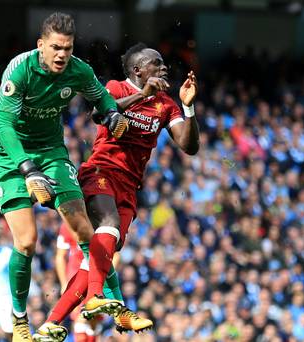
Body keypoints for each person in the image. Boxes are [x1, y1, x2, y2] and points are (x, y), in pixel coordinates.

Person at [0, 12, 129, 342]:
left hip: (50, 151)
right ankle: (20, 320)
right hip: (8, 153)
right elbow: (3, 125)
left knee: (84, 229)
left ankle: (114, 301)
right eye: (55, 47)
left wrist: (113, 113)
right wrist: (27, 170)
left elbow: (99, 95)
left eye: (67, 47)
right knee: (27, 240)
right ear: (41, 46)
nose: (62, 54)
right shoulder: (20, 69)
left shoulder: (78, 69)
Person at [40, 42, 200, 334]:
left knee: (98, 260)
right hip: (100, 171)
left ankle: (50, 324)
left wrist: (188, 107)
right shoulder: (116, 88)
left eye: (164, 63)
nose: (164, 66)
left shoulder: (166, 104)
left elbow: (189, 146)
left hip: (130, 186)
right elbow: (99, 115)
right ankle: (96, 298)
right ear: (138, 69)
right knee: (109, 228)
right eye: (157, 62)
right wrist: (143, 95)